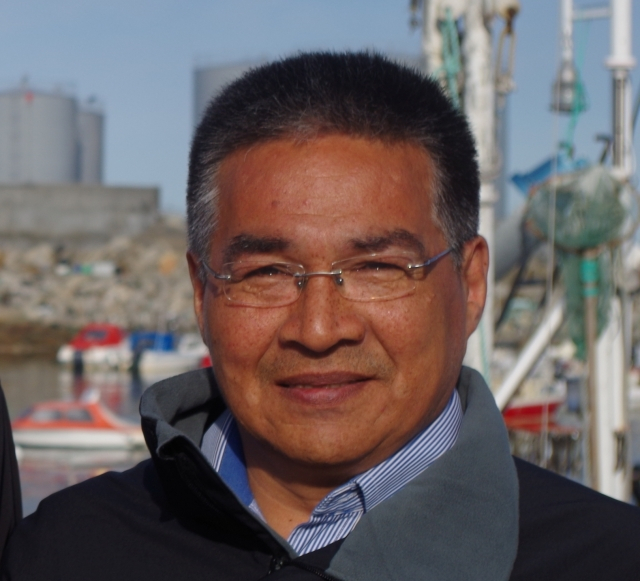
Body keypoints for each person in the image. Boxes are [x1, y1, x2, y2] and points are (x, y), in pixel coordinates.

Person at [3, 52, 640, 581]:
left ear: (470, 284)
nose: (318, 329)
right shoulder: (65, 551)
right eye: (267, 273)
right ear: (201, 293)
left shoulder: (607, 559)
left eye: (377, 268)